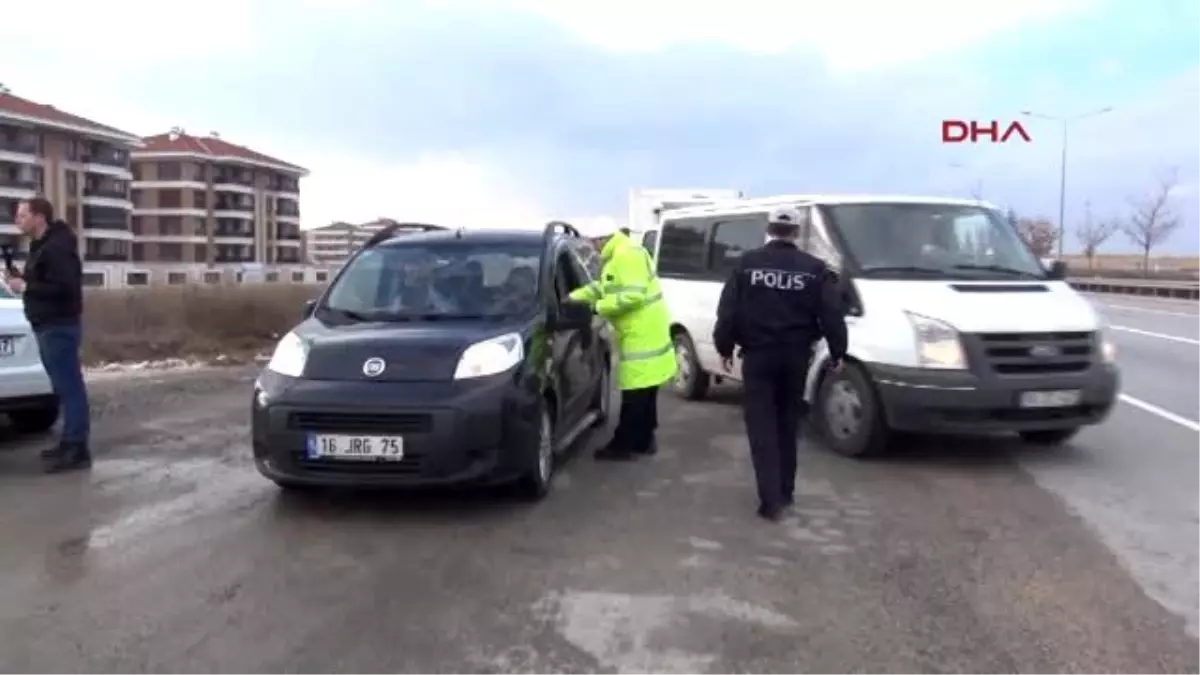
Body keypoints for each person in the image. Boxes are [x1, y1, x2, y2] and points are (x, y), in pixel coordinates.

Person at [713, 207, 848, 521]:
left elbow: (728, 312)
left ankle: (770, 500)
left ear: (769, 229)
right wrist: (839, 353)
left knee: (762, 428)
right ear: (796, 233)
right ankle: (786, 492)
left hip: (758, 358)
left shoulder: (747, 264)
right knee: (788, 425)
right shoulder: (815, 269)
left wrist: (724, 347)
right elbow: (831, 315)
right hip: (796, 357)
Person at [569, 228, 676, 460]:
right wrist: (575, 297)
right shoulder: (621, 254)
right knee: (645, 392)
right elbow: (602, 288)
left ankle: (624, 445)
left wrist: (596, 307)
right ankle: (645, 440)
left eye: (592, 241)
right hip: (645, 331)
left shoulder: (626, 255)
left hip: (642, 334)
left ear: (602, 238)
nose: (592, 247)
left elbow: (631, 296)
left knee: (635, 393)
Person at [6, 197, 92, 472]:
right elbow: (45, 281)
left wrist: (26, 287)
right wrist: (23, 280)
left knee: (70, 388)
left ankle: (77, 449)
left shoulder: (56, 247)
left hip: (59, 326)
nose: (17, 220)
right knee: (63, 388)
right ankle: (69, 444)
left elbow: (65, 287)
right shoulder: (43, 245)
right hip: (47, 325)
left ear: (39, 217)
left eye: (22, 215)